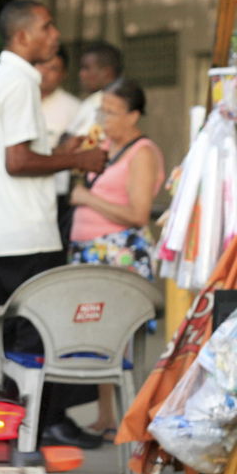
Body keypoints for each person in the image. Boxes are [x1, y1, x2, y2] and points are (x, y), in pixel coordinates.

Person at [0, 0, 108, 449]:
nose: (56, 35)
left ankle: (12, 430)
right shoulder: (18, 81)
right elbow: (19, 160)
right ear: (23, 35)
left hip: (7, 233)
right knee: (37, 340)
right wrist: (79, 158)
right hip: (27, 233)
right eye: (47, 27)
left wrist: (62, 150)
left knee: (18, 340)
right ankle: (32, 432)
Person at [69, 78, 165, 438]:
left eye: (112, 112)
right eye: (101, 110)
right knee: (94, 335)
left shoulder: (142, 152)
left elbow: (139, 213)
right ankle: (107, 414)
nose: (105, 118)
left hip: (119, 252)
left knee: (119, 338)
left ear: (134, 115)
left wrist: (86, 198)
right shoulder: (103, 145)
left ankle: (131, 418)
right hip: (90, 251)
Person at [38, 47, 82, 204]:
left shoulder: (75, 109)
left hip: (57, 194)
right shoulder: (19, 102)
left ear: (64, 74)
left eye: (53, 68)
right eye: (41, 65)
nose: (44, 73)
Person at [66, 41, 123, 141]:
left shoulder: (111, 103)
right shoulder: (94, 99)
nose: (81, 74)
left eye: (86, 68)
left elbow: (93, 142)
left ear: (106, 72)